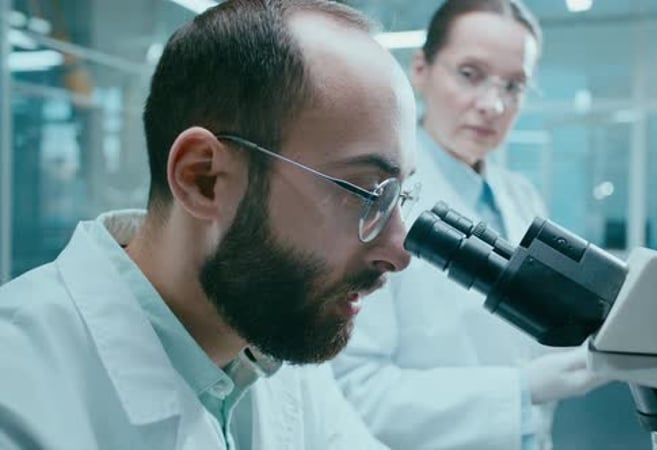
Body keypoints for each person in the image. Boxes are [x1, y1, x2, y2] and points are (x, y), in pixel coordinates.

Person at [0, 0, 420, 448]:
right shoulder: (20, 398)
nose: (398, 251)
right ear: (203, 179)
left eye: (401, 194)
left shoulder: (270, 346)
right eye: (364, 193)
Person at [332, 1, 608, 449]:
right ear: (420, 70)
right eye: (470, 74)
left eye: (514, 86)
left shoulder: (521, 197)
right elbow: (357, 392)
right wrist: (523, 388)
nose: (493, 105)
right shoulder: (374, 203)